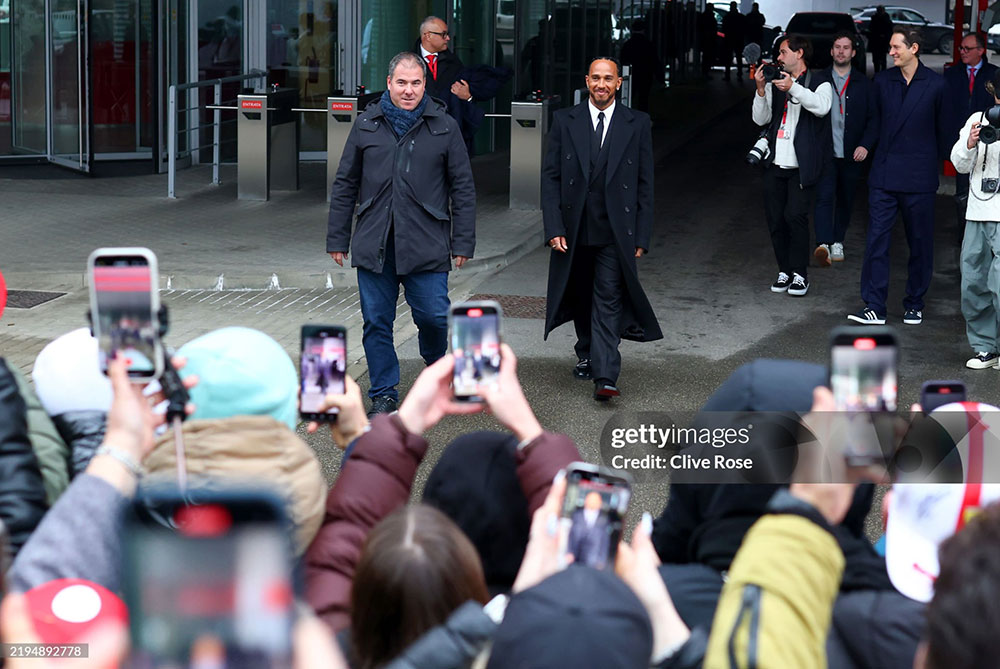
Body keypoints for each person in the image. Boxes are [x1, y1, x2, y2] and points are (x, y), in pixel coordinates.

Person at [304, 343, 581, 640]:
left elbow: (342, 546)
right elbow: (587, 550)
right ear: (536, 534)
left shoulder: (343, 645)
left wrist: (396, 427)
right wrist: (529, 428)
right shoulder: (572, 644)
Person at [327, 51, 476, 417]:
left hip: (426, 241)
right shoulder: (367, 124)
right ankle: (384, 392)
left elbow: (463, 188)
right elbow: (346, 183)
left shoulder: (443, 125)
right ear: (389, 83)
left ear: (425, 85)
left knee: (434, 317)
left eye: (416, 83)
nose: (408, 91)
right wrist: (337, 237)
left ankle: (435, 367)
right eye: (401, 83)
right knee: (377, 321)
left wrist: (462, 242)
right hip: (375, 242)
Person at [541, 56, 662, 402]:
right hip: (575, 227)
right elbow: (550, 178)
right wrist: (553, 226)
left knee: (607, 297)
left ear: (619, 83)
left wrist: (641, 234)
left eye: (608, 78)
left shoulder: (637, 123)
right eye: (595, 78)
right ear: (586, 81)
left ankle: (605, 373)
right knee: (580, 294)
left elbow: (644, 183)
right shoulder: (566, 120)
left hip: (614, 230)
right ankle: (587, 352)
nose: (601, 85)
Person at [848, 28, 950, 325]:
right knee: (876, 241)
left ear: (913, 48)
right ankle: (874, 306)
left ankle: (915, 302)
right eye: (891, 47)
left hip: (919, 178)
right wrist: (865, 144)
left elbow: (944, 131)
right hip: (884, 175)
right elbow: (874, 122)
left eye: (896, 47)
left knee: (920, 243)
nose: (890, 52)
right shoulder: (881, 81)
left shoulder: (936, 85)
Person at [752, 34, 833, 297]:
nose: (778, 57)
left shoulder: (821, 80)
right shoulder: (776, 80)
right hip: (774, 162)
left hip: (801, 165)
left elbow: (821, 107)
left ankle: (800, 274)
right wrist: (761, 90)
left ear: (799, 54)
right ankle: (784, 270)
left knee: (795, 218)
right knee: (775, 220)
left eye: (783, 52)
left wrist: (793, 87)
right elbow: (761, 119)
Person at [949, 69, 1000, 370]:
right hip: (978, 213)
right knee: (973, 283)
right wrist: (970, 142)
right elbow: (958, 163)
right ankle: (986, 348)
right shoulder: (978, 119)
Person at [813, 32, 876, 265]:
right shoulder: (818, 80)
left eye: (845, 47)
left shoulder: (863, 83)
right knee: (824, 197)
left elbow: (874, 118)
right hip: (826, 153)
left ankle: (838, 239)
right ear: (831, 51)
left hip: (852, 153)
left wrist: (865, 145)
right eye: (837, 47)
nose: (841, 51)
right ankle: (823, 243)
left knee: (846, 199)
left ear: (853, 53)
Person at [944, 32, 998, 226]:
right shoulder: (951, 74)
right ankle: (963, 234)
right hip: (963, 139)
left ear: (981, 51)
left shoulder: (994, 74)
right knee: (961, 191)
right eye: (961, 48)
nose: (963, 52)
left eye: (968, 48)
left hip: (989, 137)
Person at [621, 18, 662, 113]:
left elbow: (623, 60)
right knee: (643, 99)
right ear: (644, 30)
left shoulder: (628, 45)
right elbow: (654, 61)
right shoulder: (648, 44)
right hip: (645, 74)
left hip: (631, 74)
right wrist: (660, 77)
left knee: (629, 96)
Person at [567, 491, 611, 570]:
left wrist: (601, 560)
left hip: (593, 558)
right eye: (590, 499)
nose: (593, 502)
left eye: (596, 500)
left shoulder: (603, 520)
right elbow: (571, 535)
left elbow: (605, 541)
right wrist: (569, 552)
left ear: (600, 503)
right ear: (586, 501)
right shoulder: (577, 515)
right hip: (576, 556)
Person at [721, 2, 746, 81]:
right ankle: (739, 74)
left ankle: (727, 74)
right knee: (738, 57)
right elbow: (744, 28)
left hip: (729, 39)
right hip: (738, 39)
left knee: (728, 57)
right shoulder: (741, 17)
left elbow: (724, 28)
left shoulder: (727, 17)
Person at [869, 6, 893, 74]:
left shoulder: (879, 19)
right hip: (879, 42)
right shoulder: (885, 19)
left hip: (880, 42)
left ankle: (880, 72)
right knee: (879, 59)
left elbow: (871, 29)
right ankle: (880, 72)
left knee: (880, 59)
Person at [697, 7, 717, 79]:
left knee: (706, 56)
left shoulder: (703, 17)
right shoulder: (710, 18)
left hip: (705, 39)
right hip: (709, 39)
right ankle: (705, 72)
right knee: (707, 56)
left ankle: (704, 72)